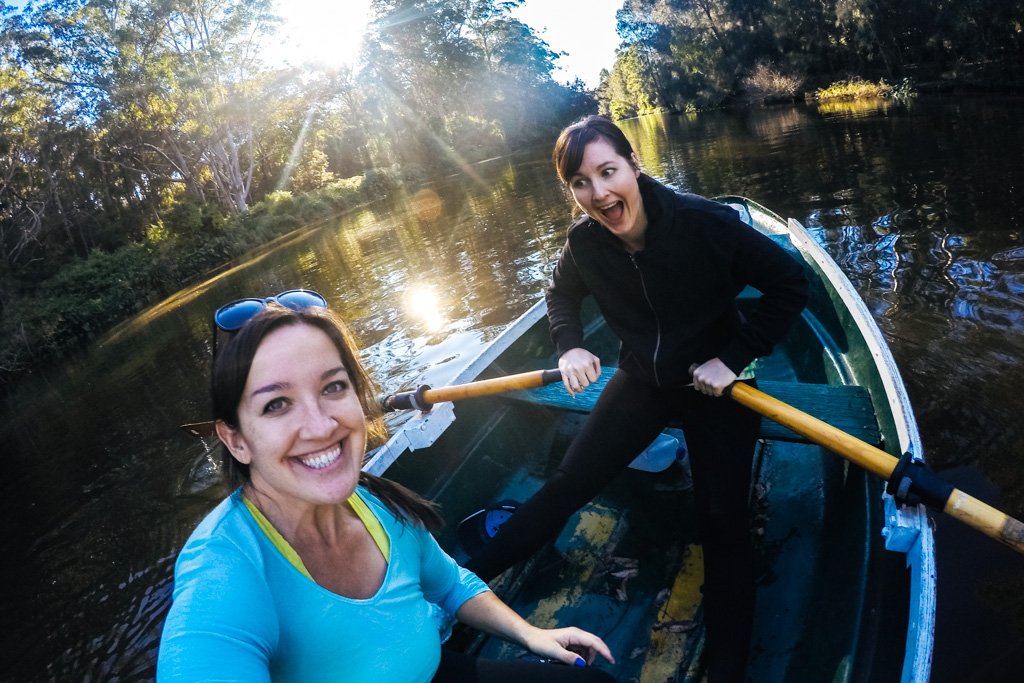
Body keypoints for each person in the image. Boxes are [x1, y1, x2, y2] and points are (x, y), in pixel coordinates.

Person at [464, 116, 809, 682]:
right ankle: (451, 597)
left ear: (634, 165)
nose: (599, 193)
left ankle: (725, 671)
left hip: (714, 385)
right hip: (644, 380)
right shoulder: (584, 243)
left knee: (723, 522)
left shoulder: (705, 223)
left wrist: (733, 356)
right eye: (580, 182)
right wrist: (571, 346)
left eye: (608, 172)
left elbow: (790, 284)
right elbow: (560, 295)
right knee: (564, 488)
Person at [157, 291, 616, 682]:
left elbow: (451, 585)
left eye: (333, 387)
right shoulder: (223, 569)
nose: (321, 425)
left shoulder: (375, 501)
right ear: (236, 440)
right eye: (277, 404)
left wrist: (530, 634)